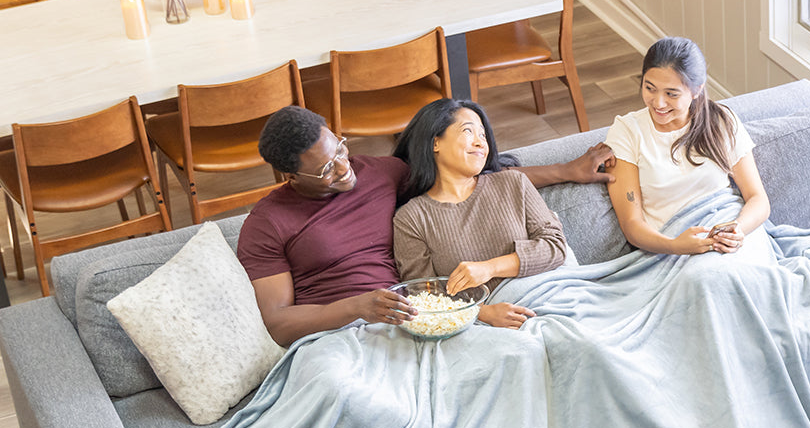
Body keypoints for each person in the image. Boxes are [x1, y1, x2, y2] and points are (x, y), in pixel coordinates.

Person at [237, 105, 615, 346]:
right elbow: (278, 323)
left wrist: (566, 170)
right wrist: (356, 307)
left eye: (339, 148)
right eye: (325, 169)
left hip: (415, 322)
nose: (343, 168)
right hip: (338, 334)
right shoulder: (267, 223)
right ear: (290, 176)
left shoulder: (383, 174)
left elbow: (471, 180)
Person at [392, 99, 570, 329]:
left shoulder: (513, 182)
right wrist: (482, 313)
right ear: (436, 142)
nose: (480, 142)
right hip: (487, 325)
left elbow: (555, 247)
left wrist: (489, 268)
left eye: (483, 135)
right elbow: (423, 296)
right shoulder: (411, 218)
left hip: (553, 294)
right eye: (468, 131)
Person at [604, 36, 770, 258]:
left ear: (697, 90)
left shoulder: (721, 120)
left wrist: (737, 230)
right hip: (672, 245)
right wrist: (674, 246)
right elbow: (631, 224)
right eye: (650, 88)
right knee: (711, 275)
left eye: (671, 94)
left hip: (733, 232)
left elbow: (758, 199)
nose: (658, 103)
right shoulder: (626, 131)